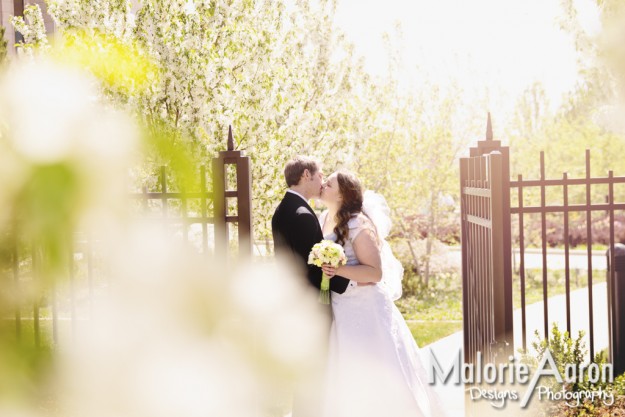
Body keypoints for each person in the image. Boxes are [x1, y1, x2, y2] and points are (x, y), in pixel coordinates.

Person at [319, 170, 448, 417]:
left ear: (343, 193)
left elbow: (374, 273)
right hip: (340, 307)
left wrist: (338, 269)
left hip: (366, 310)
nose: (323, 184)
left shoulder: (358, 223)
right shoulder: (324, 217)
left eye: (330, 182)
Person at [271, 156, 350, 417]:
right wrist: (348, 282)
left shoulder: (283, 209)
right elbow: (314, 270)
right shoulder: (302, 215)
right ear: (306, 175)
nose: (321, 183)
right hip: (312, 307)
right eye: (319, 176)